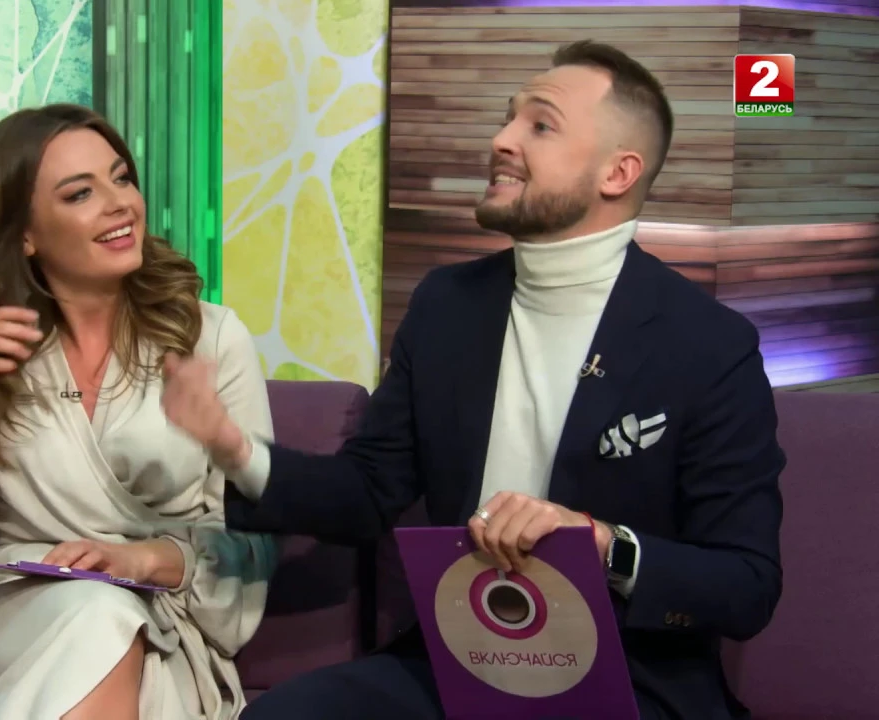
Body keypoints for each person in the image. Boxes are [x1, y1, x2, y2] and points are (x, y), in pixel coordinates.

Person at [160, 41, 784, 720]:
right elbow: (368, 493)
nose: (502, 140)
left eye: (539, 125)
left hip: (631, 677)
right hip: (458, 659)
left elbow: (746, 585)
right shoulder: (446, 306)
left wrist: (601, 541)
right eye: (507, 118)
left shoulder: (708, 344)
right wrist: (235, 449)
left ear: (618, 172)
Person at [0, 104, 277, 720]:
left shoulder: (214, 340)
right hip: (8, 623)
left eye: (122, 178)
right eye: (80, 193)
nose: (120, 204)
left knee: (106, 614)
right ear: (26, 234)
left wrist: (145, 560)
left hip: (156, 622)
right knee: (97, 615)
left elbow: (255, 541)